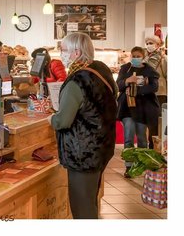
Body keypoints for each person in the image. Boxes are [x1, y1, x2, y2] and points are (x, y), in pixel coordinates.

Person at [48, 32, 117, 219]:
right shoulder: (101, 72)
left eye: (63, 50)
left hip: (82, 153)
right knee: (90, 200)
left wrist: (51, 119)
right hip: (102, 148)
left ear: (76, 53)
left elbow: (63, 121)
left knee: (82, 208)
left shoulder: (77, 80)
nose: (60, 54)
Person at [116, 46, 160, 178]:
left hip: (143, 108)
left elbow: (154, 86)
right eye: (133, 56)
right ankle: (129, 166)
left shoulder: (149, 70)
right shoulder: (125, 68)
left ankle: (142, 164)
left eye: (138, 56)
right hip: (127, 108)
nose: (135, 58)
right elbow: (118, 85)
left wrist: (139, 90)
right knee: (128, 136)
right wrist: (126, 81)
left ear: (143, 56)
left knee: (141, 137)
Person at [143, 35, 167, 148]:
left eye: (151, 43)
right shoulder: (145, 59)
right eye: (147, 43)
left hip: (160, 93)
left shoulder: (164, 59)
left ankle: (158, 146)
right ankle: (152, 145)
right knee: (150, 122)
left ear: (158, 45)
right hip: (147, 93)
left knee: (159, 122)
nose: (149, 45)